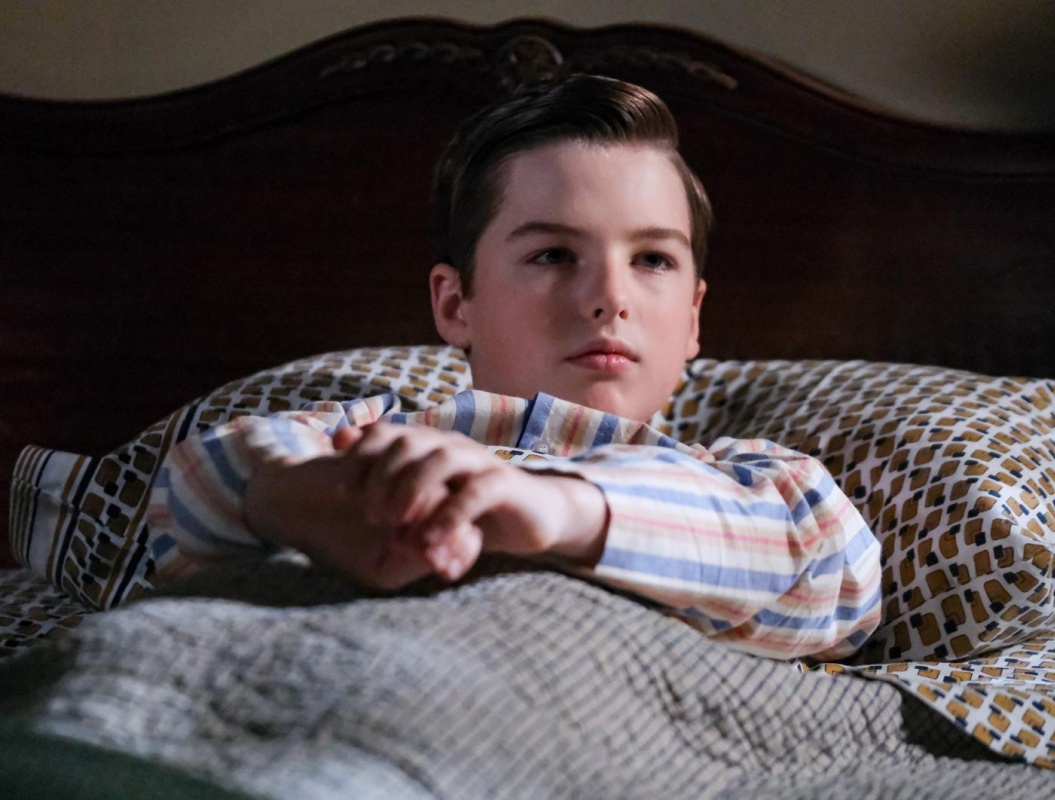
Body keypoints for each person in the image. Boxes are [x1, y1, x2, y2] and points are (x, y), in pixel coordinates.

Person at [147, 75, 881, 661]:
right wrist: (313, 502)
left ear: (692, 318)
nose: (609, 298)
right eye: (553, 254)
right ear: (455, 304)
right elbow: (192, 490)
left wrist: (555, 508)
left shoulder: (750, 482)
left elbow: (831, 573)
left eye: (652, 259)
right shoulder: (363, 438)